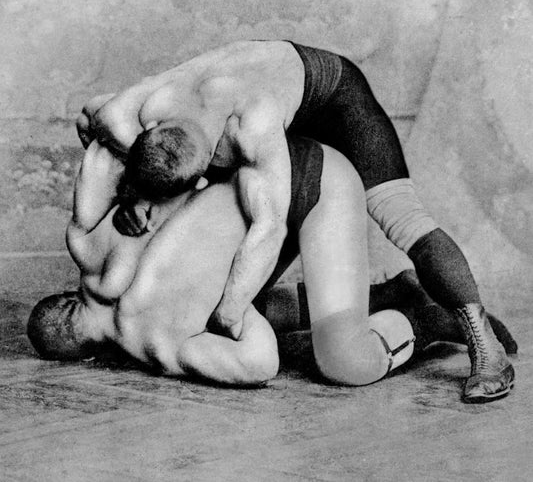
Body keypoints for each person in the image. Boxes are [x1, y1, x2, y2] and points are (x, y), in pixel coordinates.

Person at [76, 40, 514, 402]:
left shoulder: (252, 127)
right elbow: (88, 119)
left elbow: (270, 229)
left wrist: (231, 313)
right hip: (258, 116)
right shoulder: (122, 115)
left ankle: (482, 344)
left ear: (208, 162)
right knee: (210, 288)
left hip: (334, 99)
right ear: (149, 128)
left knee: (401, 217)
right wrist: (135, 194)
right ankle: (385, 295)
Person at [29, 136, 514, 388]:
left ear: (89, 357)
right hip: (273, 166)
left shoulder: (160, 347)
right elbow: (105, 140)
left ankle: (424, 321)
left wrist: (239, 306)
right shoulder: (90, 245)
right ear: (67, 297)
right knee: (223, 309)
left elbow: (261, 363)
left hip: (313, 186)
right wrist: (139, 194)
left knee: (346, 362)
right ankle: (392, 293)